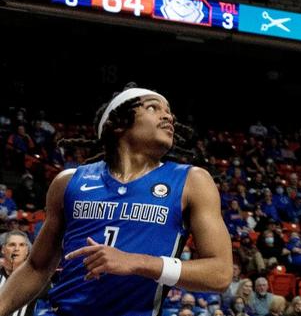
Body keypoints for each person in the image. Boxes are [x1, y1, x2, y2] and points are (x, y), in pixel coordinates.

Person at [0, 85, 231, 316]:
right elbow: (36, 267)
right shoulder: (68, 182)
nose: (168, 116)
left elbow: (220, 273)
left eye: (169, 111)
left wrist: (137, 262)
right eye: (152, 107)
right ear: (118, 123)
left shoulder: (192, 181)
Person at [0, 230, 34, 316]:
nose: (17, 249)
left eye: (22, 245)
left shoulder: (37, 279)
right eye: (12, 245)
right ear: (3, 250)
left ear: (27, 251)